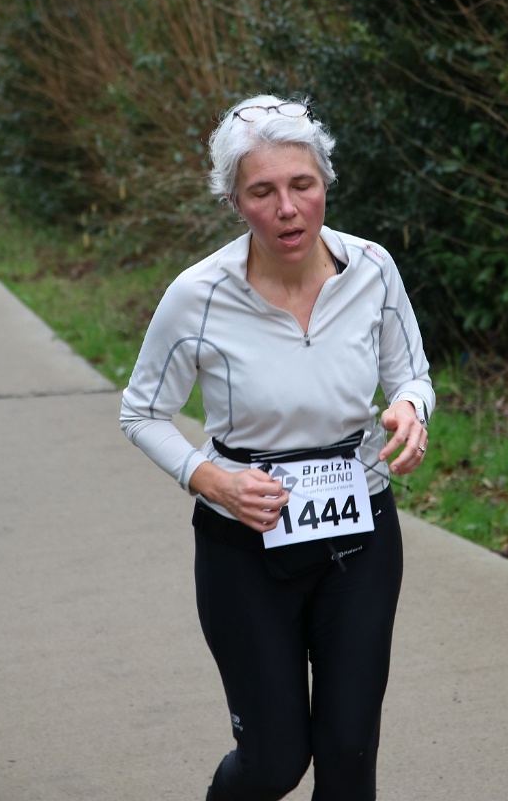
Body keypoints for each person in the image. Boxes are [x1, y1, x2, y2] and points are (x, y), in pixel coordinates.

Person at [120, 94, 435, 801]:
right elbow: (141, 412)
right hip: (245, 546)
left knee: (349, 755)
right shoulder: (197, 295)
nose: (288, 208)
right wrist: (209, 478)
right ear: (235, 202)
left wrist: (410, 409)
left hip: (360, 533)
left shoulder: (373, 268)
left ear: (325, 184)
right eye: (262, 192)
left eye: (302, 185)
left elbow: (411, 375)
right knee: (272, 762)